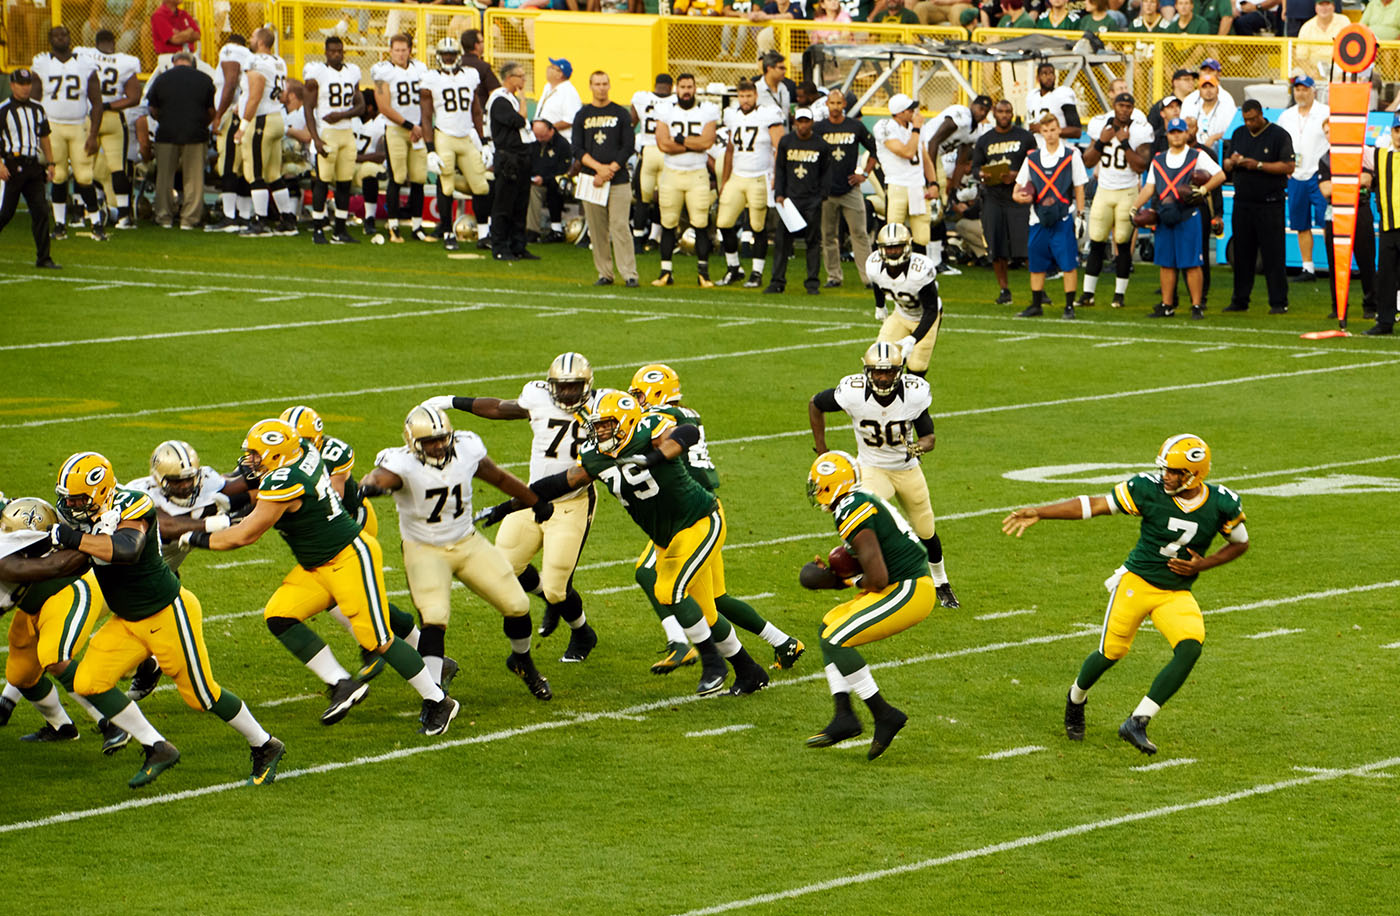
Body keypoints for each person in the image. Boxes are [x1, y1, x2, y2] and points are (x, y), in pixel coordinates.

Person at [493, 392, 775, 697]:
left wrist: (656, 456)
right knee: (705, 613)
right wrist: (507, 506)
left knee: (669, 590)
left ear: (626, 422)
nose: (599, 432)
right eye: (597, 427)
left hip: (700, 520)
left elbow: (686, 432)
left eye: (606, 426)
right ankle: (750, 672)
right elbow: (559, 484)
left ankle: (712, 664)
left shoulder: (647, 429)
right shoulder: (595, 454)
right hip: (667, 537)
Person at [1002, 435, 1249, 756]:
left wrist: (1205, 563)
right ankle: (1076, 697)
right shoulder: (1147, 489)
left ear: (1195, 473)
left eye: (1174, 472)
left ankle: (1138, 721)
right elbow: (1096, 505)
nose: (1166, 476)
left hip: (1174, 592)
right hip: (1137, 583)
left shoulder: (1222, 502)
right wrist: (1042, 512)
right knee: (1111, 653)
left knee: (1190, 647)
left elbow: (1240, 543)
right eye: (1165, 470)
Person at [50, 452, 285, 788]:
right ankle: (157, 746)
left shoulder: (134, 504)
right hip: (127, 619)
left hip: (166, 612)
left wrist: (72, 539)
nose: (71, 505)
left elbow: (126, 549)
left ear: (102, 491)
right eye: (67, 498)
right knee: (88, 682)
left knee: (202, 696)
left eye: (78, 498)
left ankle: (265, 744)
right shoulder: (73, 514)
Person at [359, 405, 563, 697]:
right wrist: (370, 487)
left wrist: (534, 501)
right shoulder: (400, 463)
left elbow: (500, 478)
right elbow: (379, 477)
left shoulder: (466, 448)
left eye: (442, 438)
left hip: (467, 542)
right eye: (430, 441)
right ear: (413, 444)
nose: (439, 446)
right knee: (434, 616)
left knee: (517, 605)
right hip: (424, 549)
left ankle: (522, 661)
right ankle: (435, 697)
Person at [624, 364, 804, 673]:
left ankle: (679, 642)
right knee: (715, 600)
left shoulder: (663, 419)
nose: (637, 401)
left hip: (691, 513)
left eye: (640, 394)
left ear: (657, 392)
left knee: (647, 571)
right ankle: (783, 642)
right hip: (697, 505)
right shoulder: (681, 415)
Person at [426, 353, 600, 649]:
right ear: (551, 385)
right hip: (531, 497)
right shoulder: (539, 397)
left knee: (559, 589)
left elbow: (584, 472)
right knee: (505, 569)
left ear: (587, 385)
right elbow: (499, 408)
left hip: (573, 501)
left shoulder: (602, 409)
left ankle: (582, 631)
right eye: (562, 386)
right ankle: (552, 603)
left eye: (574, 386)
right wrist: (452, 401)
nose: (568, 393)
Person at [800, 450, 935, 759]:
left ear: (830, 485)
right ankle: (843, 715)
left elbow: (876, 577)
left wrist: (840, 581)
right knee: (828, 627)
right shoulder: (856, 499)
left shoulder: (851, 507)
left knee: (836, 639)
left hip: (908, 589)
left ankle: (883, 714)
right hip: (897, 584)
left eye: (818, 485)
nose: (815, 491)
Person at [809, 341, 958, 605]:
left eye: (889, 371)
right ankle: (865, 578)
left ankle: (941, 582)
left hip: (907, 468)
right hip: (872, 468)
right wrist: (822, 449)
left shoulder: (914, 393)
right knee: (863, 523)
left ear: (899, 371)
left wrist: (918, 447)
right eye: (878, 371)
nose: (883, 377)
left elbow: (929, 436)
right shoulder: (852, 392)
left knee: (926, 530)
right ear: (867, 371)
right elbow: (816, 404)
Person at [0, 497, 125, 750]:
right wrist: (97, 536)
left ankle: (114, 721)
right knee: (21, 674)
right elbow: (49, 565)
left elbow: (56, 566)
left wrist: (97, 539)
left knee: (54, 657)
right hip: (39, 598)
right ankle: (61, 726)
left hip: (74, 590)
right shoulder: (8, 561)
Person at [1134, 117, 1226, 319]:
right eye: (1172, 132)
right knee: (1166, 263)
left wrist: (1202, 190)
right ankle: (1167, 304)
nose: (1176, 135)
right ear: (1167, 135)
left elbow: (1220, 175)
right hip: (1165, 214)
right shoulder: (1158, 159)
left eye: (1179, 132)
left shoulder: (1197, 155)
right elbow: (1150, 187)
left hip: (1187, 214)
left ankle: (1196, 305)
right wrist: (1135, 207)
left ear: (1186, 134)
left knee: (1192, 263)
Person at [31, 26, 106, 242]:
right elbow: (35, 102)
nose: (61, 38)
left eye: (64, 34)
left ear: (70, 37)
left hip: (78, 125)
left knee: (84, 176)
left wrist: (93, 134)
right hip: (52, 126)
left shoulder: (84, 63)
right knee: (59, 175)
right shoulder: (42, 63)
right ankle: (60, 224)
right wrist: (38, 132)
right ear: (49, 40)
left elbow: (97, 102)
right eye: (56, 35)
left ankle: (96, 223)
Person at [1080, 92, 1152, 310]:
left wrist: (1125, 143)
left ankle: (1119, 294)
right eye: (1121, 105)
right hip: (1104, 189)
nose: (1124, 109)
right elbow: (1088, 160)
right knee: (1096, 241)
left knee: (1122, 242)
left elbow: (1141, 166)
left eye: (1128, 106)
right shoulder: (1100, 124)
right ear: (1113, 105)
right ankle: (1087, 293)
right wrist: (1102, 141)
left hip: (1127, 191)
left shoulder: (1140, 129)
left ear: (1133, 108)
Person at [1013, 112, 1087, 320]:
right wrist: (1022, 197)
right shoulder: (1032, 157)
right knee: (1036, 262)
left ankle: (1069, 306)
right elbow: (1017, 188)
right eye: (1045, 131)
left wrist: (1080, 215)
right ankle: (1036, 304)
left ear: (1059, 129)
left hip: (1062, 216)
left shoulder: (1071, 154)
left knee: (1068, 262)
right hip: (1037, 217)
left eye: (1053, 130)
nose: (1049, 134)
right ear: (1041, 132)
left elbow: (1079, 186)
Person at [1223, 100, 1295, 314]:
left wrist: (1259, 165)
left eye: (1253, 119)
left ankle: (1278, 301)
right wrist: (1232, 162)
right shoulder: (1239, 134)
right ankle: (1240, 299)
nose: (1249, 123)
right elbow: (1226, 164)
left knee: (1273, 254)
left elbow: (1288, 165)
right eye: (1246, 119)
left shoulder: (1279, 135)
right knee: (1242, 253)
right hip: (1243, 202)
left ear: (1261, 114)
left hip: (1270, 203)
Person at [653, 73, 721, 287]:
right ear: (676, 89)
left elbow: (708, 142)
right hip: (672, 174)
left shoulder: (706, 111)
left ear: (695, 89)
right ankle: (665, 272)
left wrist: (680, 141)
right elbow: (664, 145)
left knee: (700, 224)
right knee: (668, 223)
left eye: (690, 87)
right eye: (682, 87)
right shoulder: (666, 110)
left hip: (697, 174)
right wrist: (692, 143)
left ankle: (703, 273)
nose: (686, 91)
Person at [574, 71, 640, 287]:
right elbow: (577, 148)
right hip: (591, 179)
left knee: (620, 226)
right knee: (596, 228)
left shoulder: (620, 113)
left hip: (618, 179)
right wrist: (598, 169)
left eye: (604, 84)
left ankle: (629, 273)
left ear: (609, 85)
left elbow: (627, 146)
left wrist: (610, 169)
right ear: (590, 86)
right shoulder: (583, 114)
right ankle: (605, 273)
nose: (601, 88)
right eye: (597, 84)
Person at [716, 79, 784, 288]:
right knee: (724, 223)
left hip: (759, 176)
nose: (745, 100)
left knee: (757, 226)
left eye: (748, 96)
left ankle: (757, 272)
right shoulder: (731, 115)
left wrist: (776, 176)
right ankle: (734, 268)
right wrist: (725, 180)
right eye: (742, 96)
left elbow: (779, 146)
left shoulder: (768, 114)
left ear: (756, 95)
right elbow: (729, 149)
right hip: (737, 175)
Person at [971, 99, 1034, 306]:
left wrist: (1016, 175)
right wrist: (984, 175)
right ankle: (1004, 289)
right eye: (1000, 111)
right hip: (993, 198)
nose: (1004, 115)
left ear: (1013, 113)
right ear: (994, 114)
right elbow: (975, 168)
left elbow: (1035, 164)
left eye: (1008, 111)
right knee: (997, 248)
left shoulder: (1025, 137)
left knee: (1027, 246)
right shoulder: (985, 140)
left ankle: (1038, 290)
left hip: (1018, 197)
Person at [304, 36, 367, 246]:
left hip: (346, 132)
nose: (336, 54)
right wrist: (316, 139)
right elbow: (308, 108)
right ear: (325, 51)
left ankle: (340, 230)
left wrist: (341, 115)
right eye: (332, 51)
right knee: (322, 182)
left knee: (344, 183)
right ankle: (318, 229)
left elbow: (361, 106)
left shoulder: (352, 72)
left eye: (339, 51)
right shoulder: (318, 73)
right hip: (327, 133)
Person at [371, 34, 430, 243]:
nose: (401, 54)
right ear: (390, 51)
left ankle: (417, 226)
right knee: (396, 176)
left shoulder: (420, 68)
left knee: (418, 177)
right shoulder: (382, 71)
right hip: (397, 129)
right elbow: (384, 107)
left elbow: (428, 99)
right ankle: (393, 225)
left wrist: (421, 126)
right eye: (397, 50)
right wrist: (410, 126)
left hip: (418, 130)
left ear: (410, 50)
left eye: (404, 49)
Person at [145, 52, 214, 230]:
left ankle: (164, 216)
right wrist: (202, 124)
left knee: (164, 178)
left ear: (173, 62)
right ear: (192, 63)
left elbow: (152, 108)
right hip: (195, 133)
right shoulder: (204, 79)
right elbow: (211, 110)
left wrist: (164, 120)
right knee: (194, 179)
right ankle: (189, 220)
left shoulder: (162, 79)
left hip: (167, 133)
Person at [816, 87, 877, 288]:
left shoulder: (855, 127)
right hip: (826, 191)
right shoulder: (819, 128)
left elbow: (874, 150)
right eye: (832, 103)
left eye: (838, 103)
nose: (835, 107)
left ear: (844, 105)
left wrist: (865, 174)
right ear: (827, 105)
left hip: (850, 188)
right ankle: (834, 276)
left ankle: (868, 277)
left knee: (859, 233)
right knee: (828, 235)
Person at [233, 28, 291, 237]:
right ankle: (288, 220)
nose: (249, 39)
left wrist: (242, 127)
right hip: (276, 117)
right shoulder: (278, 61)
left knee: (255, 173)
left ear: (259, 42)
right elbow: (283, 94)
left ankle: (260, 222)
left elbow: (255, 96)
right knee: (273, 173)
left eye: (252, 37)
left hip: (261, 120)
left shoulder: (254, 61)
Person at [866, 223, 944, 378]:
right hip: (901, 315)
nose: (893, 252)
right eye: (889, 248)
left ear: (907, 246)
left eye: (897, 247)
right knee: (881, 358)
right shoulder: (874, 266)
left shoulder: (920, 270)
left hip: (925, 318)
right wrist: (880, 306)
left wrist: (914, 338)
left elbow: (931, 310)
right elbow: (877, 282)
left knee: (916, 368)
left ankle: (914, 400)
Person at [80, 30, 141, 228]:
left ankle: (83, 212)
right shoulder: (125, 62)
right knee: (117, 168)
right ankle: (123, 216)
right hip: (112, 117)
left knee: (84, 167)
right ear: (114, 44)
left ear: (95, 42)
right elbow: (134, 98)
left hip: (90, 117)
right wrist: (107, 106)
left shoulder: (83, 55)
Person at [0, 69, 60, 269]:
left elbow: (44, 136)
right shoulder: (4, 110)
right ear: (12, 85)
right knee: (5, 213)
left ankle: (44, 258)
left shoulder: (38, 109)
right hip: (11, 165)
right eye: (21, 84)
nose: (25, 88)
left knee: (41, 212)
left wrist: (50, 163)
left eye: (28, 84)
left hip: (33, 165)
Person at [767, 107, 831, 294]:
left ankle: (812, 283)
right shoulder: (786, 142)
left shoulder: (821, 145)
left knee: (813, 241)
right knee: (782, 242)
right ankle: (777, 281)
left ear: (811, 123)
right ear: (795, 122)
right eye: (800, 121)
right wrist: (779, 193)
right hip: (790, 200)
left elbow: (826, 172)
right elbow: (780, 168)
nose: (803, 125)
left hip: (811, 199)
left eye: (806, 121)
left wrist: (821, 196)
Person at [1277, 76, 1330, 283]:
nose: (1301, 93)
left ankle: (1335, 263)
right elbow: (1281, 141)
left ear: (1313, 91)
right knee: (1301, 224)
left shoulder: (1325, 112)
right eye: (1297, 89)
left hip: (1319, 174)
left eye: (1305, 89)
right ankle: (1308, 267)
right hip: (1296, 175)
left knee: (1327, 221)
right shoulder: (1287, 116)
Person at [1317, 148, 1377, 325]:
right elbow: (1325, 190)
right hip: (1335, 212)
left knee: (1366, 260)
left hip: (1361, 209)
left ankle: (1371, 305)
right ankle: (1338, 306)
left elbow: (1367, 180)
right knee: (1335, 262)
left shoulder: (1363, 153)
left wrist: (1338, 184)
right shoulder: (1326, 158)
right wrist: (1353, 183)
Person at [487, 61, 537, 262]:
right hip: (508, 157)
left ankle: (518, 245)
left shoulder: (511, 99)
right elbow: (519, 121)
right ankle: (500, 245)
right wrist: (524, 101)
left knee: (520, 204)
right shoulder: (500, 100)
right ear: (509, 78)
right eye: (521, 76)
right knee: (504, 204)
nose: (524, 80)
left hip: (522, 156)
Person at [874, 93, 935, 257]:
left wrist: (933, 183)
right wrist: (916, 129)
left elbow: (925, 158)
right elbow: (907, 152)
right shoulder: (885, 126)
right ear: (900, 112)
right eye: (909, 109)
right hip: (897, 185)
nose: (914, 112)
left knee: (922, 235)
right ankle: (889, 270)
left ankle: (920, 271)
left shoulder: (916, 129)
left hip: (917, 185)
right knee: (893, 232)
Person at [206, 33, 253, 233]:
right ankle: (244, 216)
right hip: (244, 116)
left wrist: (218, 115)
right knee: (241, 167)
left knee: (228, 166)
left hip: (232, 116)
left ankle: (229, 217)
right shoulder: (251, 57)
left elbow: (231, 81)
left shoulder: (231, 50)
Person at [630, 73, 673, 247]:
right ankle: (658, 238)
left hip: (647, 151)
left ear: (655, 85)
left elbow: (630, 124)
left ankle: (638, 240)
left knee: (643, 198)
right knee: (665, 198)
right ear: (671, 86)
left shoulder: (642, 98)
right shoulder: (676, 100)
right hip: (667, 153)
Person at [1369, 114, 1400, 335]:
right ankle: (1385, 321)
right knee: (1386, 275)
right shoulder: (1380, 155)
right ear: (1392, 132)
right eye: (1397, 130)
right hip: (1389, 225)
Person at [1025, 61, 1081, 147]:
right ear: (1038, 78)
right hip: (1038, 148)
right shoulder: (1032, 96)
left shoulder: (1062, 94)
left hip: (1059, 148)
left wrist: (1043, 129)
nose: (1049, 77)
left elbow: (1076, 131)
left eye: (1051, 73)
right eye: (1044, 74)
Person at [1296, 0, 1347, 85]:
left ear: (1333, 6)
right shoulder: (1307, 27)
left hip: (1338, 69)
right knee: (1296, 73)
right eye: (1321, 5)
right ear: (1316, 8)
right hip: (1313, 69)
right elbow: (1301, 58)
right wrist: (1311, 72)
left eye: (1327, 4)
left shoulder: (1344, 22)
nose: (1324, 8)